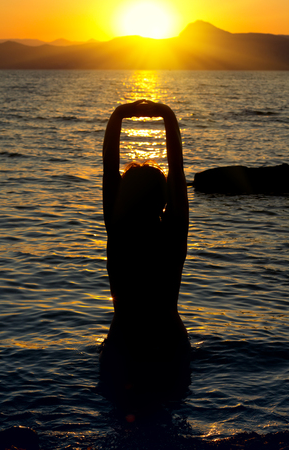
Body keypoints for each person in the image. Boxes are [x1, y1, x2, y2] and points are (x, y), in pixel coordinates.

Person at [100, 100, 190, 402]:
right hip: (168, 343)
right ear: (163, 197)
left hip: (124, 344)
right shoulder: (173, 233)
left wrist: (118, 115)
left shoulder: (119, 231)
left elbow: (109, 168)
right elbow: (177, 169)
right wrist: (167, 116)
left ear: (124, 195)